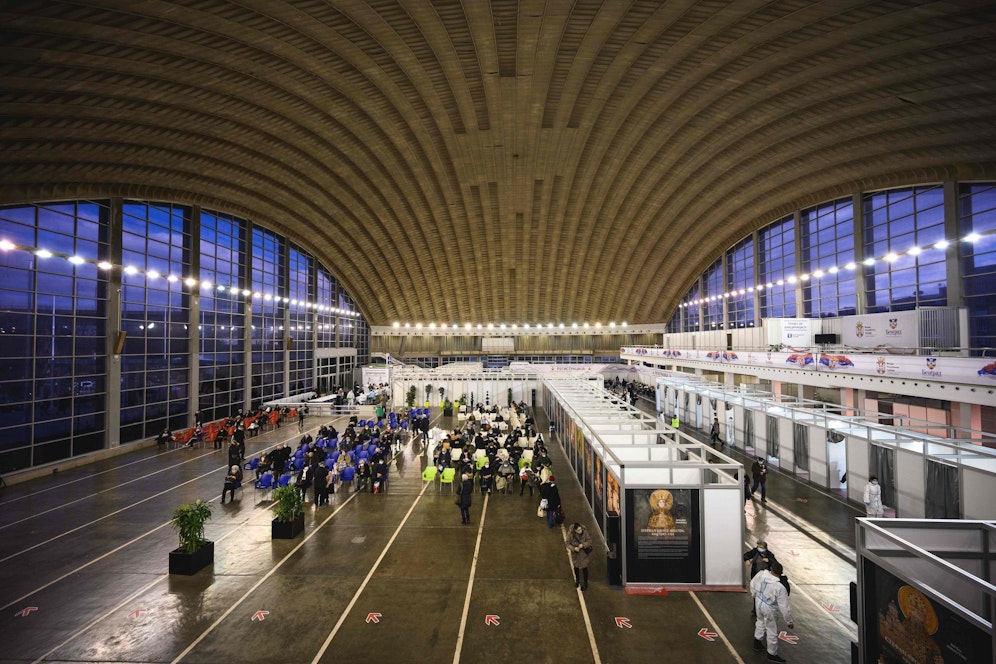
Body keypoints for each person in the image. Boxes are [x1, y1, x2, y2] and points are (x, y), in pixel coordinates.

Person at [750, 561, 794, 663]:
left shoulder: (761, 574)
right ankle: (772, 654)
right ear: (780, 572)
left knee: (760, 622)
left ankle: (757, 642)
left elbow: (753, 583)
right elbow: (784, 607)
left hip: (758, 602)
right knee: (771, 630)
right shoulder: (780, 587)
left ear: (771, 569)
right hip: (769, 607)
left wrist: (754, 594)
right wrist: (789, 622)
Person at [566, 523, 593, 591]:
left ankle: (585, 583)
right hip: (575, 554)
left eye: (580, 529)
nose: (580, 530)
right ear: (575, 530)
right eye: (578, 530)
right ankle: (577, 580)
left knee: (584, 568)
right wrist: (574, 548)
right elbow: (567, 543)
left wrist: (583, 545)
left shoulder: (585, 532)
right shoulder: (570, 534)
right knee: (576, 568)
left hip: (583, 554)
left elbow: (589, 541)